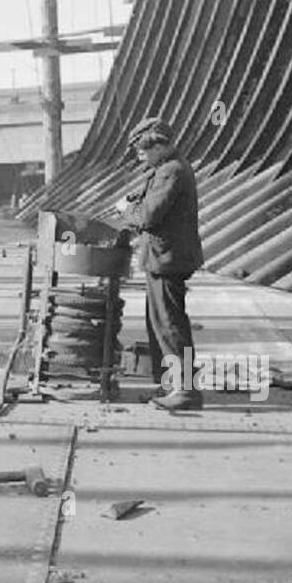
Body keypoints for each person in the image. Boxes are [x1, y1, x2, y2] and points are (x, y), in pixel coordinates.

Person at [117, 117, 204, 411]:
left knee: (171, 326)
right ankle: (172, 384)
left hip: (168, 259)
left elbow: (147, 217)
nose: (138, 155)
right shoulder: (164, 169)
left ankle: (186, 390)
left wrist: (126, 210)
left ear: (159, 145)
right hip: (162, 258)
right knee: (160, 325)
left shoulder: (172, 171)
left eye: (143, 150)